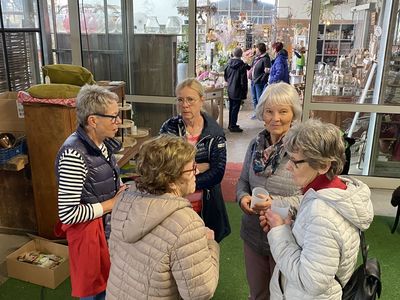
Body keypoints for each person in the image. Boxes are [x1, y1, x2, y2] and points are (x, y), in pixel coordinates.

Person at [259, 119, 374, 299]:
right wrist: (289, 226)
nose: (288, 166)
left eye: (296, 161)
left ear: (323, 165)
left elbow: (310, 283)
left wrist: (279, 231)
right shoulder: (336, 192)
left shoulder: (322, 214)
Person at [106, 135, 220, 299]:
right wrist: (210, 244)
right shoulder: (187, 223)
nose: (196, 171)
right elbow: (200, 292)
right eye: (191, 168)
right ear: (171, 181)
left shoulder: (123, 200)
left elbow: (114, 253)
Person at [55, 84, 127, 299]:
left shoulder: (101, 144)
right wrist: (111, 204)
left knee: (107, 287)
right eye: (113, 117)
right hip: (89, 237)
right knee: (94, 291)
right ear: (93, 120)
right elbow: (68, 213)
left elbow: (106, 179)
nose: (119, 121)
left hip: (104, 232)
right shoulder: (73, 155)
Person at [236, 82, 302, 300]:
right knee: (257, 293)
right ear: (262, 114)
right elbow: (243, 180)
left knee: (282, 295)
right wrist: (242, 197)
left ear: (293, 114)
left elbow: (308, 197)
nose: (276, 118)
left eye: (283, 111)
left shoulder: (301, 150)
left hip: (287, 238)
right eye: (269, 111)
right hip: (253, 234)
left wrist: (275, 202)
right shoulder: (255, 145)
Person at [160, 78, 231, 243]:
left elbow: (216, 174)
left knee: (204, 246)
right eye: (180, 99)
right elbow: (162, 166)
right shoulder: (168, 128)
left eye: (190, 99)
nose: (185, 105)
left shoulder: (215, 133)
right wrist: (199, 167)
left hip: (205, 202)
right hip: (173, 204)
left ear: (201, 100)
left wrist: (182, 180)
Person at [224, 47, 250, 132]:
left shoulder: (228, 64)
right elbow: (243, 80)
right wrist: (244, 90)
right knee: (235, 108)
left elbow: (226, 76)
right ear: (241, 54)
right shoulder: (242, 65)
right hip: (238, 89)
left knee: (232, 107)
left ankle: (231, 124)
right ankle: (233, 126)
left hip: (230, 88)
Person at [249, 42, 271, 119]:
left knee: (260, 99)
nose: (256, 51)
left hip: (259, 82)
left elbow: (267, 71)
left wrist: (261, 80)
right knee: (254, 98)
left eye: (257, 50)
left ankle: (261, 114)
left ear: (261, 50)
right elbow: (252, 67)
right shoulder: (256, 58)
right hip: (253, 81)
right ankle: (256, 113)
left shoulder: (266, 59)